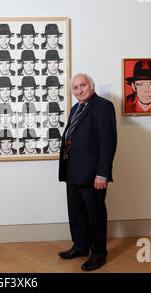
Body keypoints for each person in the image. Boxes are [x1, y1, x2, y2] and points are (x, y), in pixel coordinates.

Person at [58, 73, 117, 272]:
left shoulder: (103, 107)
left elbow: (107, 143)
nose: (79, 90)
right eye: (75, 87)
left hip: (93, 176)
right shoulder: (76, 108)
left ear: (91, 86)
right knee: (76, 213)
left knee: (95, 215)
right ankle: (81, 246)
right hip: (73, 173)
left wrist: (103, 174)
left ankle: (98, 254)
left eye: (82, 85)